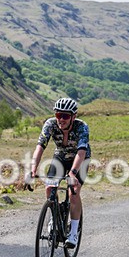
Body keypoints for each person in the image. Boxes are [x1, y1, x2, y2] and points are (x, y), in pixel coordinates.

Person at [30, 97, 91, 248]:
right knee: (50, 187)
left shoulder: (81, 127)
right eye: (58, 115)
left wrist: (73, 173)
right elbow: (40, 147)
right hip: (61, 157)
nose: (61, 119)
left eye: (65, 116)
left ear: (73, 117)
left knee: (74, 192)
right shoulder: (50, 124)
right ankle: (54, 217)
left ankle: (74, 232)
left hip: (80, 159)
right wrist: (32, 168)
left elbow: (81, 151)